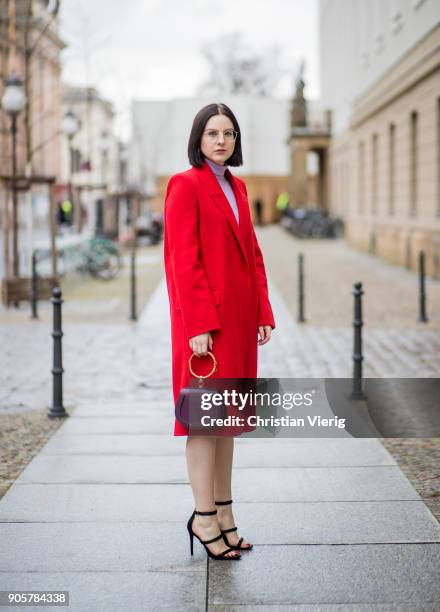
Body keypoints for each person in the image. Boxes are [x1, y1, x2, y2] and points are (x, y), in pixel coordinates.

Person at [163, 103, 276, 561]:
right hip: (206, 327)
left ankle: (225, 514)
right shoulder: (184, 185)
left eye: (229, 133)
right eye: (213, 133)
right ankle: (203, 517)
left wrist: (263, 310)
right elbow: (182, 259)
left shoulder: (239, 186)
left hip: (239, 322)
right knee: (203, 422)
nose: (222, 141)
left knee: (229, 423)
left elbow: (253, 252)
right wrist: (198, 324)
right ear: (198, 138)